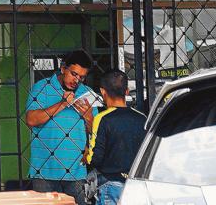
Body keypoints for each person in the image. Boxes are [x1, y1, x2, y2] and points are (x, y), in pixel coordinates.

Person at [25, 50, 98, 205]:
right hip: (44, 171)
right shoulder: (41, 88)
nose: (77, 80)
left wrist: (89, 117)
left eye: (82, 77)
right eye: (74, 74)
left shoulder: (88, 94)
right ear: (63, 68)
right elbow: (31, 119)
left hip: (76, 172)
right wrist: (62, 104)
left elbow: (96, 132)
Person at [86, 70, 146, 205]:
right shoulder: (142, 118)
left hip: (111, 185)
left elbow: (95, 158)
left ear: (103, 91)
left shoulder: (102, 119)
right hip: (136, 186)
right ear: (126, 91)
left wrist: (86, 155)